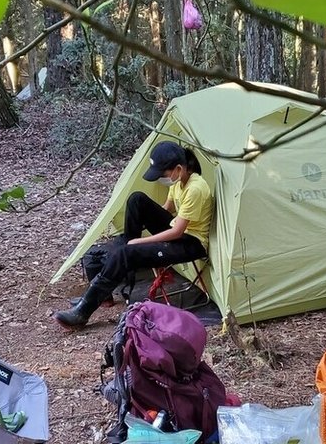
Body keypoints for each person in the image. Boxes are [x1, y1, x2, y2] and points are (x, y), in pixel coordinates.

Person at [54, 141, 213, 331]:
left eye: (163, 174)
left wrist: (139, 242)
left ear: (178, 169)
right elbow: (165, 210)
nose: (162, 178)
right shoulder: (179, 181)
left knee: (126, 251)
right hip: (177, 231)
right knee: (137, 199)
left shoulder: (195, 188)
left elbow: (177, 231)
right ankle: (110, 278)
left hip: (191, 242)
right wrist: (136, 238)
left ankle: (84, 311)